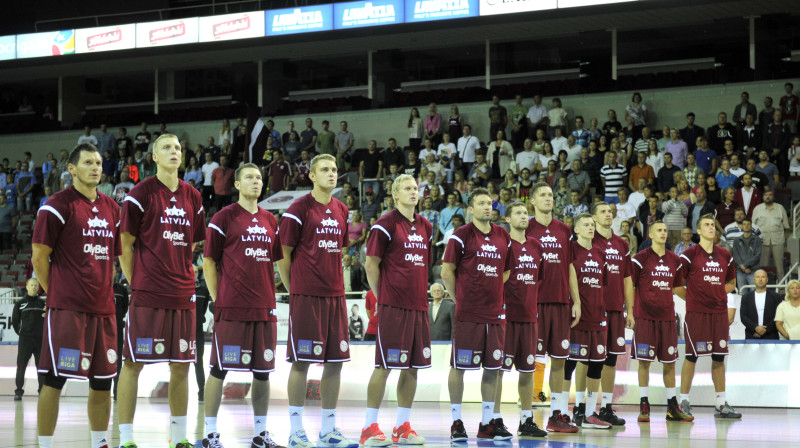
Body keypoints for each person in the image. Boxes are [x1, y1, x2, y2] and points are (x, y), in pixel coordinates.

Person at [117, 135, 206, 448]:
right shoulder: (140, 194)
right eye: (167, 147)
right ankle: (126, 439)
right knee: (132, 364)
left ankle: (179, 437)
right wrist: (136, 281)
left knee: (181, 366)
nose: (174, 152)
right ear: (153, 156)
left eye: (179, 148)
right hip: (148, 293)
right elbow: (124, 245)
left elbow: (192, 243)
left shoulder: (193, 196)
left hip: (183, 293)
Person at [32, 143, 120, 448]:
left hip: (104, 311)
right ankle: (45, 445)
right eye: (87, 163)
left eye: (98, 162)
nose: (96, 167)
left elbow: (111, 259)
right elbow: (39, 257)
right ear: (72, 169)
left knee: (103, 384)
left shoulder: (112, 207)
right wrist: (56, 296)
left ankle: (100, 443)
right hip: (68, 311)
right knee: (55, 381)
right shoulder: (57, 205)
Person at [276, 154, 357, 448]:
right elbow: (282, 254)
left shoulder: (342, 209)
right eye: (324, 170)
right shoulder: (298, 209)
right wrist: (294, 289)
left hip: (335, 296)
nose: (331, 174)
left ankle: (329, 429)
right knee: (301, 363)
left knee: (335, 363)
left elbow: (339, 251)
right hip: (306, 296)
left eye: (334, 170)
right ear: (311, 175)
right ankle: (296, 431)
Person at [201, 163, 283, 448]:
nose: (256, 181)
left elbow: (275, 261)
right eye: (249, 177)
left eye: (259, 177)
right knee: (219, 370)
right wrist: (218, 299)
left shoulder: (271, 220)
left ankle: (260, 435)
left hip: (264, 308)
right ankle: (210, 434)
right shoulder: (223, 218)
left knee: (263, 372)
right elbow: (208, 262)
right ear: (236, 184)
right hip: (232, 309)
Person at [359, 174, 432, 446]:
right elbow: (370, 264)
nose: (413, 192)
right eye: (407, 189)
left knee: (412, 368)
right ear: (395, 195)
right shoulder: (384, 225)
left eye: (416, 188)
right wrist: (383, 297)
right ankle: (369, 428)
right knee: (384, 366)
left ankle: (402, 427)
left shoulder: (425, 226)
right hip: (393, 308)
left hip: (418, 306)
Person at [441, 187, 512, 442]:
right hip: (467, 314)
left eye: (489, 203)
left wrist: (493, 292)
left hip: (495, 314)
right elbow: (446, 272)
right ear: (470, 209)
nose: (487, 207)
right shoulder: (460, 236)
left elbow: (507, 270)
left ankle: (486, 423)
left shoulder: (503, 235)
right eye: (481, 203)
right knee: (459, 366)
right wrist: (458, 298)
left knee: (493, 368)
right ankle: (456, 421)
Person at [674, 214, 741, 419]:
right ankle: (683, 401)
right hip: (697, 314)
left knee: (719, 357)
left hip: (719, 314)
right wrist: (695, 299)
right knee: (691, 356)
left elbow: (731, 283)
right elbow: (677, 286)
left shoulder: (725, 255)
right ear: (699, 231)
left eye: (713, 225)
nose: (711, 228)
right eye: (706, 225)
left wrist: (719, 294)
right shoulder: (688, 255)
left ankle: (721, 403)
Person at [525, 182, 578, 433]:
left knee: (559, 358)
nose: (548, 199)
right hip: (533, 302)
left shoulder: (565, 230)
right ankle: (527, 416)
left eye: (551, 195)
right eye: (543, 195)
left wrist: (576, 300)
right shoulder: (526, 227)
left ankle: (557, 414)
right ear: (532, 201)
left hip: (559, 302)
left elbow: (570, 266)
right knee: (529, 361)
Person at [492, 201, 548, 437]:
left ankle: (526, 421)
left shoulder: (536, 246)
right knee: (498, 372)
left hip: (529, 318)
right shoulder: (502, 245)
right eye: (518, 213)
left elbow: (538, 279)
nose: (524, 216)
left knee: (527, 371)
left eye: (526, 212)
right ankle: (494, 419)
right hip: (505, 317)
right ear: (507, 219)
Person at [630, 220, 693, 422]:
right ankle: (644, 404)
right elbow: (629, 287)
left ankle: (672, 407)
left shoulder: (675, 260)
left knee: (669, 363)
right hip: (644, 318)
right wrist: (629, 312)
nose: (663, 233)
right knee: (644, 363)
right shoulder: (639, 259)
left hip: (667, 318)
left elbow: (676, 288)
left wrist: (698, 300)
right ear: (650, 234)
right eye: (659, 230)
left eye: (665, 230)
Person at [562, 213, 608, 429]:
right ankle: (562, 411)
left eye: (592, 224)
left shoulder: (600, 253)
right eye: (586, 225)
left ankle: (590, 413)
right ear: (576, 229)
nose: (591, 228)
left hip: (598, 317)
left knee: (597, 364)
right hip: (577, 317)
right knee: (569, 363)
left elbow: (603, 283)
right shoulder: (570, 251)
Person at [590, 202, 634, 426]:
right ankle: (585, 408)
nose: (608, 214)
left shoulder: (621, 244)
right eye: (603, 212)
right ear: (594, 217)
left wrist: (630, 310)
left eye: (610, 211)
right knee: (588, 359)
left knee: (611, 358)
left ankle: (606, 407)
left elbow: (627, 279)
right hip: (592, 309)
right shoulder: (588, 241)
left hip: (616, 309)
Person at [12, 277, 45, 400]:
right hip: (25, 339)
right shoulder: (20, 303)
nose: (34, 287)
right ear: (26, 287)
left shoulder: (43, 304)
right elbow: (15, 321)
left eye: (36, 285)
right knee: (21, 366)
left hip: (40, 340)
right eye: (31, 285)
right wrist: (21, 333)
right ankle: (18, 391)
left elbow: (49, 320)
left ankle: (42, 391)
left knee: (41, 367)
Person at [752, 189, 790, 280]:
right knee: (763, 267)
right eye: (766, 195)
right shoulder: (757, 208)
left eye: (770, 195)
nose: (768, 196)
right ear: (763, 197)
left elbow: (786, 225)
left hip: (778, 241)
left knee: (779, 267)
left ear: (773, 197)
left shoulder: (780, 208)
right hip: (762, 241)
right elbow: (753, 226)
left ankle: (781, 290)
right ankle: (764, 287)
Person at [739, 270, 782, 340]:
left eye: (763, 277)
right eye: (758, 277)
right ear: (754, 279)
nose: (760, 279)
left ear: (767, 280)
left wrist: (765, 330)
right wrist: (755, 328)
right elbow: (743, 316)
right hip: (752, 335)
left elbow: (778, 316)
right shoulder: (746, 297)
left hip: (771, 336)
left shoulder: (776, 297)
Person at [731, 218, 761, 288]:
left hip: (753, 270)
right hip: (740, 271)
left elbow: (757, 255)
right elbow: (735, 256)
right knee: (742, 293)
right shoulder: (736, 240)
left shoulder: (757, 240)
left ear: (751, 226)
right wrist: (744, 268)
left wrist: (745, 265)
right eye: (744, 224)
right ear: (741, 226)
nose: (746, 226)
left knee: (754, 293)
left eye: (748, 224)